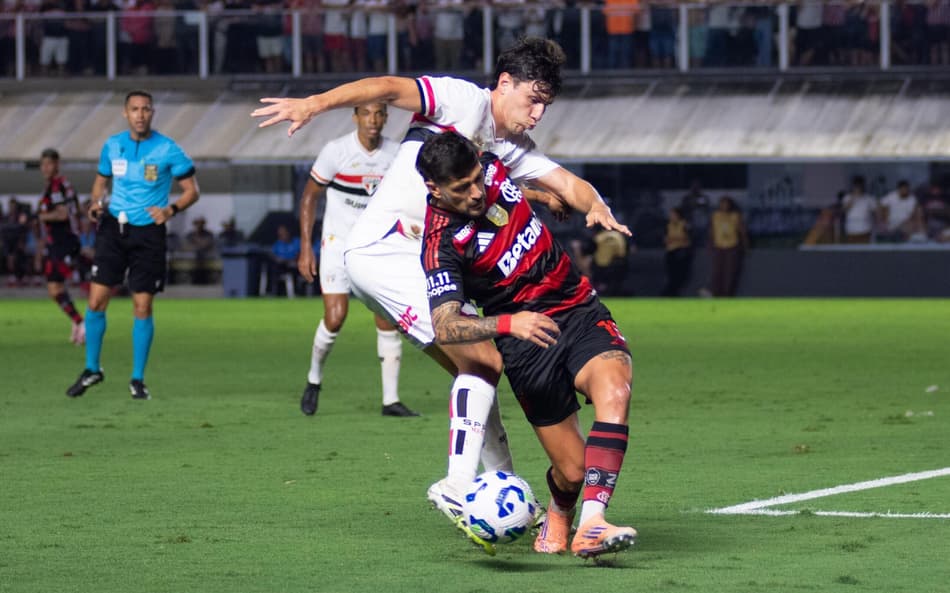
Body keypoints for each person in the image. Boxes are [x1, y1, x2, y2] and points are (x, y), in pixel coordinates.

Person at [252, 37, 629, 555]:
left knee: (476, 371)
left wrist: (595, 205)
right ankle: (456, 485)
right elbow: (388, 87)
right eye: (533, 100)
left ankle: (503, 490)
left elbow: (566, 182)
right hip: (386, 252)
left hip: (415, 260)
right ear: (504, 84)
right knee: (485, 359)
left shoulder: (507, 148)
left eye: (546, 104)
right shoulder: (462, 100)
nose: (538, 113)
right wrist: (313, 104)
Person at [416, 131, 636, 559]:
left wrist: (544, 197)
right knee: (572, 471)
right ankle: (560, 510)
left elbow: (512, 184)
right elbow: (444, 326)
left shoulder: (489, 162)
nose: (477, 192)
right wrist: (508, 323)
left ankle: (592, 522)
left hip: (577, 307)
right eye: (462, 189)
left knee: (615, 390)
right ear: (434, 189)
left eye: (478, 179)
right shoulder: (440, 243)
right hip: (526, 339)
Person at [66, 90, 200, 400]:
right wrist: (95, 203)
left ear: (152, 113)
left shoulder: (168, 149)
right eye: (135, 109)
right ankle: (92, 369)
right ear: (125, 113)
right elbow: (100, 183)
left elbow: (192, 190)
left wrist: (170, 210)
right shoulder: (112, 145)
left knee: (142, 306)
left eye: (146, 109)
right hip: (113, 229)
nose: (140, 114)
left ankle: (137, 379)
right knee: (96, 301)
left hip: (149, 234)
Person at [296, 103, 418, 417]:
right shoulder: (335, 151)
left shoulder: (396, 154)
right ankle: (314, 379)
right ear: (355, 117)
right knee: (335, 317)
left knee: (387, 317)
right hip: (337, 244)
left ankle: (391, 400)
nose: (373, 120)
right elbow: (310, 196)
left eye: (379, 114)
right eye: (366, 113)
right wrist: (306, 247)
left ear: (386, 118)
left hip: (377, 247)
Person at [35, 148, 85, 344]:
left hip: (63, 242)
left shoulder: (57, 187)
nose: (45, 168)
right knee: (56, 287)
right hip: (58, 243)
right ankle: (77, 322)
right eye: (43, 164)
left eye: (49, 164)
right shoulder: (59, 186)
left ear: (57, 164)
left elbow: (63, 213)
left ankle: (81, 323)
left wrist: (41, 216)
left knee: (55, 288)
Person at [708, 196, 748, 297]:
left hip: (732, 247)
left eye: (726, 204)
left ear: (730, 205)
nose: (724, 206)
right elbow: (712, 231)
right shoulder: (715, 215)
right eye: (722, 204)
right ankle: (716, 295)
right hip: (718, 246)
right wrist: (710, 244)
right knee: (717, 272)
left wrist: (745, 245)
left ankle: (727, 295)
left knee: (730, 273)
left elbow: (742, 232)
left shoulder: (735, 216)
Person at [661, 206, 692, 296]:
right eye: (671, 214)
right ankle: (671, 293)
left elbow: (688, 239)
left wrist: (674, 239)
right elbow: (665, 239)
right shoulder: (668, 225)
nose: (671, 216)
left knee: (680, 276)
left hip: (681, 252)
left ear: (678, 215)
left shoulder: (685, 224)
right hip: (670, 252)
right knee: (671, 274)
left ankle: (674, 292)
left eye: (673, 214)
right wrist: (676, 239)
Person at [841, 175, 878, 243]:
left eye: (859, 186)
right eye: (856, 186)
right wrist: (853, 197)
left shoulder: (869, 198)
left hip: (865, 229)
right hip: (851, 230)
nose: (858, 188)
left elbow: (876, 213)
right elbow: (844, 210)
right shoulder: (847, 197)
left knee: (865, 248)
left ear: (863, 186)